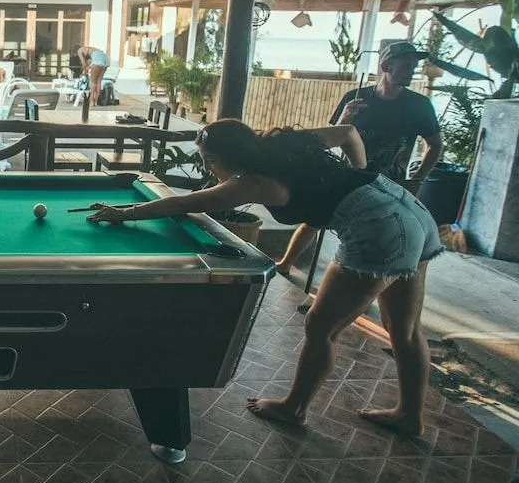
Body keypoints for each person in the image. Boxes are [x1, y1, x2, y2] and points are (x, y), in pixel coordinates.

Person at [87, 119, 442, 435]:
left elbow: (185, 203)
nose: (208, 167)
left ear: (226, 157)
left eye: (209, 160)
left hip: (381, 227)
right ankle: (409, 415)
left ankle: (294, 409)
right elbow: (349, 133)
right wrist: (355, 175)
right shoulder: (282, 143)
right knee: (405, 328)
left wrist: (124, 213)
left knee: (321, 326)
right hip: (407, 207)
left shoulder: (252, 182)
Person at [276, 41, 443, 275]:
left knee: (377, 232)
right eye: (406, 65)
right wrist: (345, 117)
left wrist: (417, 179)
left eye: (413, 66)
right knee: (314, 219)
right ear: (386, 66)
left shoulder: (419, 106)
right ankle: (285, 263)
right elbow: (336, 134)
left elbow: (436, 145)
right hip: (349, 175)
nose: (412, 71)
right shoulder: (357, 97)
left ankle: (358, 280)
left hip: (390, 181)